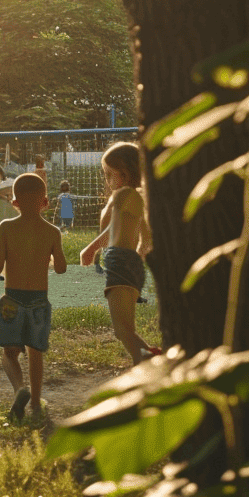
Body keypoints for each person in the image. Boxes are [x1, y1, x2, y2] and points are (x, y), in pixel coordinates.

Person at [0, 173, 65, 423]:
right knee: (35, 352)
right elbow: (61, 268)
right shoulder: (52, 232)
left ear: (14, 202)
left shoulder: (7, 227)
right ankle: (37, 405)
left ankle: (20, 389)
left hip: (13, 299)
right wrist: (49, 257)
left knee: (10, 352)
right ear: (46, 202)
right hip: (39, 300)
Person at [80, 142, 160, 364]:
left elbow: (111, 230)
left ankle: (147, 366)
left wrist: (91, 249)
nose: (107, 180)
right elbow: (146, 239)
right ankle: (152, 360)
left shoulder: (123, 194)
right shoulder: (140, 197)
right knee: (126, 329)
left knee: (121, 330)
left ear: (123, 174)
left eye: (108, 174)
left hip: (118, 260)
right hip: (130, 263)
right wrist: (136, 261)